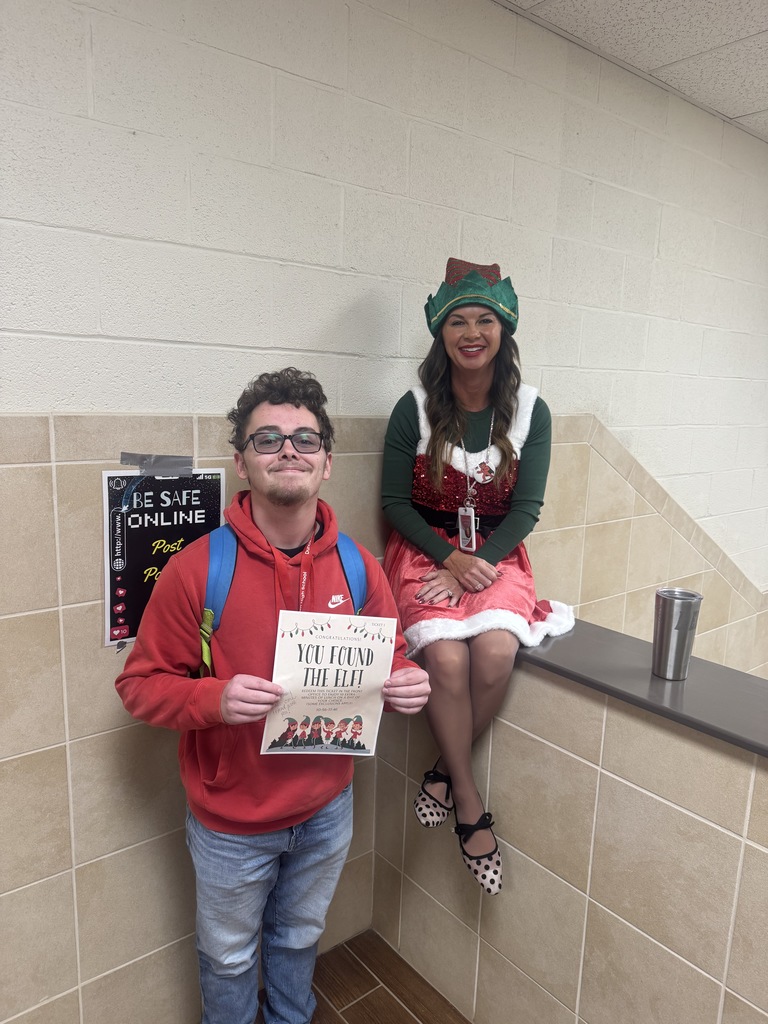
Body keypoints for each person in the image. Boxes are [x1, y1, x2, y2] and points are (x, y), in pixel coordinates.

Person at [116, 367, 430, 1024]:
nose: (288, 449)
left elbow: (387, 659)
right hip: (233, 826)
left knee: (298, 939)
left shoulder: (357, 566)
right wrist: (216, 700)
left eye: (304, 439)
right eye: (268, 439)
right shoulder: (198, 569)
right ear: (241, 461)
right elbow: (139, 688)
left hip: (327, 809)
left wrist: (404, 683)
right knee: (228, 959)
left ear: (325, 463)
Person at [381, 259, 573, 896]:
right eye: (457, 320)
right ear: (441, 334)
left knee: (493, 654)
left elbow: (527, 510)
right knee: (448, 660)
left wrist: (478, 564)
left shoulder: (531, 412)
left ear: (503, 331)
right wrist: (449, 561)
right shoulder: (412, 407)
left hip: (497, 552)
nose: (471, 331)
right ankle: (468, 803)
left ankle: (441, 770)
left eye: (484, 319)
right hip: (426, 551)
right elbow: (394, 504)